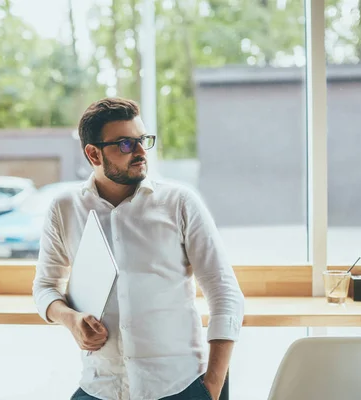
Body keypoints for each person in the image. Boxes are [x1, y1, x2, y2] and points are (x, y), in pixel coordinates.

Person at [33, 97, 244, 400]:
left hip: (180, 387)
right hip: (101, 387)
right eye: (125, 144)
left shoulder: (180, 203)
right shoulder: (64, 209)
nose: (141, 152)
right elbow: (45, 288)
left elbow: (225, 294)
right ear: (93, 154)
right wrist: (71, 319)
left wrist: (212, 387)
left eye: (143, 140)